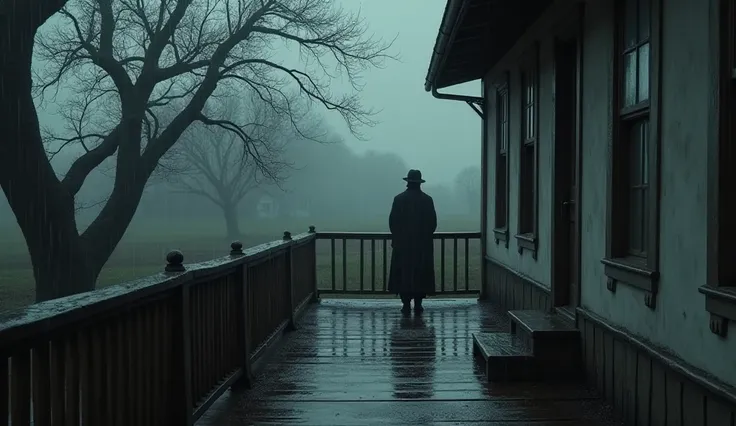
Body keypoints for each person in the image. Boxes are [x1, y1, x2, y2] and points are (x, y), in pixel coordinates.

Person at [387, 169, 437, 314]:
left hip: (402, 245)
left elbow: (393, 222)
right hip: (422, 246)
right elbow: (432, 223)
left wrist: (398, 237)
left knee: (404, 274)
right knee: (421, 273)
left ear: (407, 182)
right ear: (420, 183)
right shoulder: (427, 200)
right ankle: (419, 303)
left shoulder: (399, 199)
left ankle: (406, 303)